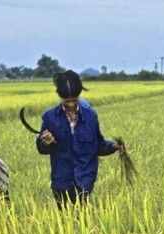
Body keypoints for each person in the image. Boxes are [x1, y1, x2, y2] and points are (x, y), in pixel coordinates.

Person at [35, 70, 126, 207]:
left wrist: (114, 146)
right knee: (64, 221)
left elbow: (98, 145)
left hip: (85, 180)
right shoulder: (50, 118)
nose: (71, 104)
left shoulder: (90, 116)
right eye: (67, 101)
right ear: (59, 95)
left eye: (74, 100)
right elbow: (42, 149)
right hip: (61, 181)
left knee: (83, 218)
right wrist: (45, 142)